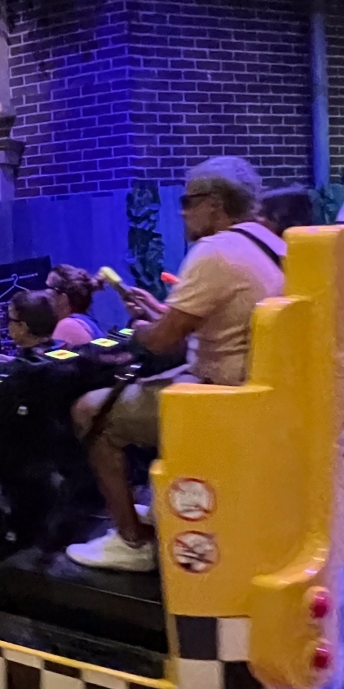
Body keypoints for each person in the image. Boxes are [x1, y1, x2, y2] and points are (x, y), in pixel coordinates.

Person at [64, 156, 285, 571]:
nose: (181, 211)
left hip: (219, 398)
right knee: (147, 388)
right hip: (253, 391)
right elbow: (214, 318)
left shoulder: (214, 251)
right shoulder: (269, 244)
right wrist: (159, 311)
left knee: (90, 412)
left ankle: (132, 542)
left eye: (187, 201)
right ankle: (158, 509)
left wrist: (139, 326)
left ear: (214, 204)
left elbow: (162, 341)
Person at [46, 265, 105, 347]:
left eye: (48, 288)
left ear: (63, 297)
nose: (45, 292)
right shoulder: (83, 320)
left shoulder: (67, 326)